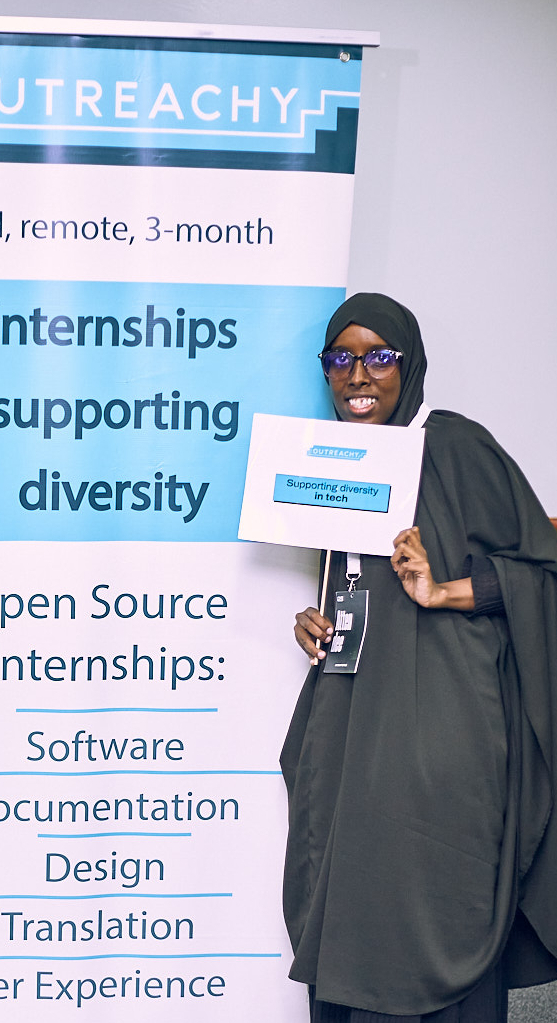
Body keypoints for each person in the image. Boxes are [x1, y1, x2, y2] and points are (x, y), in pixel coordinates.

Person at [283, 293, 557, 1022]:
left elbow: (544, 570)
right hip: (353, 732)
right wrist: (317, 619)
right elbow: (353, 585)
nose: (358, 373)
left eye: (379, 355)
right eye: (341, 357)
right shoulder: (338, 462)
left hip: (442, 738)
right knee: (353, 913)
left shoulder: (457, 445)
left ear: (410, 364)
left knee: (428, 908)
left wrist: (446, 591)